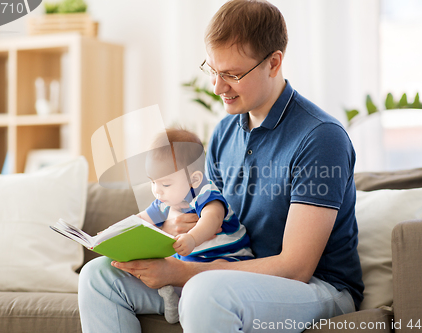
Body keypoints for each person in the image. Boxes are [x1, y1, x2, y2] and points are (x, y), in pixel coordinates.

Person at [78, 0, 364, 332]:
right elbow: (206, 212)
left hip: (317, 287)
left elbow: (295, 267)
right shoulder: (225, 131)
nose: (217, 87)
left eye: (231, 74)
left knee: (205, 291)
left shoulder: (320, 138)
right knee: (98, 277)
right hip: (230, 272)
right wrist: (174, 225)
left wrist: (180, 272)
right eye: (213, 70)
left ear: (273, 63)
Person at [136, 128, 254, 324]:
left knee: (216, 274)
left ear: (194, 180)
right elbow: (142, 219)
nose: (157, 191)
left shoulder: (205, 193)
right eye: (153, 182)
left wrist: (192, 238)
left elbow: (212, 218)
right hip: (189, 263)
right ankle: (172, 297)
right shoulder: (165, 201)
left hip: (228, 258)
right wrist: (116, 231)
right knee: (166, 267)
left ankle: (184, 299)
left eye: (165, 184)